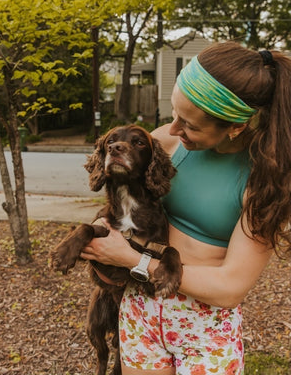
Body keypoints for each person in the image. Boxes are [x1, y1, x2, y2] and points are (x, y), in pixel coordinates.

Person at [81, 41, 291, 375]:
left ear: (236, 126)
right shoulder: (168, 141)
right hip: (141, 310)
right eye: (175, 114)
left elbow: (230, 287)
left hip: (205, 326)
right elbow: (117, 195)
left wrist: (133, 259)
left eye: (190, 125)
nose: (175, 130)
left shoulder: (266, 182)